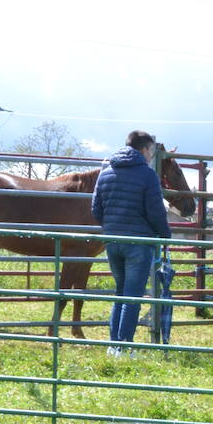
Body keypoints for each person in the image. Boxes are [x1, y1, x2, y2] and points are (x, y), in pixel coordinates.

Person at [90, 129, 172, 353]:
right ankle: (124, 346)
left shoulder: (106, 172)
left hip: (112, 240)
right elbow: (156, 211)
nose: (152, 156)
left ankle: (114, 344)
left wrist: (111, 227)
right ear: (145, 149)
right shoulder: (147, 175)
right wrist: (165, 234)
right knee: (133, 296)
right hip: (138, 242)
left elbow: (96, 208)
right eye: (152, 151)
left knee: (120, 292)